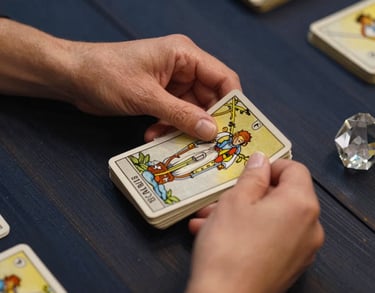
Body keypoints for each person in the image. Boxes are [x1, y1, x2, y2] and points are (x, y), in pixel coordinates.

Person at [0, 17, 324, 292]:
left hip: (200, 163)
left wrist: (73, 65)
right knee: (180, 164)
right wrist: (233, 281)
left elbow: (218, 159)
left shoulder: (229, 149)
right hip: (192, 164)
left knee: (186, 167)